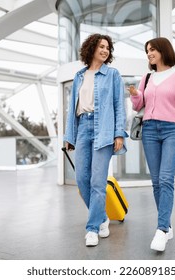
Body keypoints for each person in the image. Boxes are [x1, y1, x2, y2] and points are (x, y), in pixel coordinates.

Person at [128, 37, 175, 252]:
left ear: (163, 50)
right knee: (157, 181)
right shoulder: (147, 77)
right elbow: (138, 105)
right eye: (147, 50)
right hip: (149, 130)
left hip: (172, 130)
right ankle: (167, 225)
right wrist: (135, 95)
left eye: (153, 49)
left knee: (167, 178)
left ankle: (161, 230)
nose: (149, 53)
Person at [64, 34, 127, 247]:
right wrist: (69, 136)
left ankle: (92, 229)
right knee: (82, 180)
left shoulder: (113, 75)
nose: (105, 50)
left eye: (108, 48)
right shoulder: (79, 76)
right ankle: (101, 218)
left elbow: (119, 106)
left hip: (104, 130)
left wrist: (119, 133)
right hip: (82, 128)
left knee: (98, 182)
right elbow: (72, 108)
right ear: (91, 48)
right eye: (101, 46)